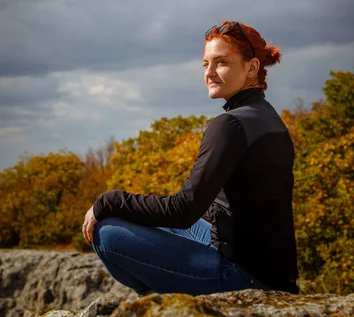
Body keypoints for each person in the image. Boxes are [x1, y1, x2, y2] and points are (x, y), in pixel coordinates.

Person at [82, 21, 299, 297]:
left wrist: (106, 202)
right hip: (269, 269)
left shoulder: (230, 125)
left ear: (252, 67)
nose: (209, 73)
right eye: (205, 64)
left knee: (108, 234)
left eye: (221, 63)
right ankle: (164, 294)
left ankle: (160, 299)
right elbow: (226, 205)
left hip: (247, 275)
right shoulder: (267, 117)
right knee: (132, 217)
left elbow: (181, 211)